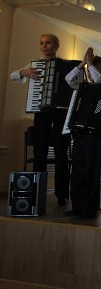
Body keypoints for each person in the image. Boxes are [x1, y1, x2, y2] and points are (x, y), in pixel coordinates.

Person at [9, 34, 72, 206]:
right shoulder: (35, 65)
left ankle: (62, 194)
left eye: (48, 43)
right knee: (39, 152)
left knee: (61, 152)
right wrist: (23, 72)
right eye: (42, 43)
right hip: (41, 112)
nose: (44, 46)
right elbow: (13, 76)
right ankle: (37, 193)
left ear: (56, 46)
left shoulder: (65, 65)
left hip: (60, 112)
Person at [63, 48, 101, 218]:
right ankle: (77, 206)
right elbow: (68, 79)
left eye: (96, 68)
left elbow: (97, 79)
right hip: (79, 133)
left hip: (94, 135)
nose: (92, 72)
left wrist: (90, 63)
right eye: (91, 68)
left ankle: (89, 208)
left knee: (90, 171)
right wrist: (83, 63)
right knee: (77, 170)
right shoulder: (83, 87)